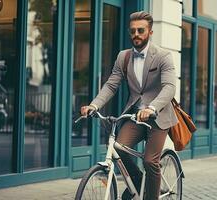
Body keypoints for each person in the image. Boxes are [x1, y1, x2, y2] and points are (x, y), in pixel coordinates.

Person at [81, 11, 177, 200]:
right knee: (119, 147)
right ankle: (139, 180)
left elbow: (169, 87)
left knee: (150, 161)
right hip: (135, 116)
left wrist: (152, 108)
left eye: (141, 30)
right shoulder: (123, 57)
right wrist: (94, 105)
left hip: (158, 117)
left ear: (150, 32)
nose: (136, 34)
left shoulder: (163, 56)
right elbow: (111, 85)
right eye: (132, 31)